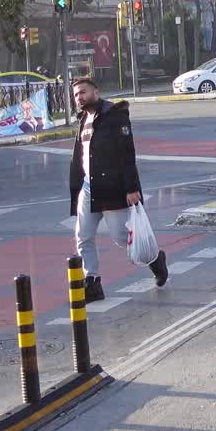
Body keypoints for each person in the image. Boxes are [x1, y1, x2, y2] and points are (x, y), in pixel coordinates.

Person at [68, 78, 167, 302]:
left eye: (83, 92)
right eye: (75, 94)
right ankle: (92, 282)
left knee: (122, 238)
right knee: (83, 237)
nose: (79, 97)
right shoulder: (83, 118)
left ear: (96, 91)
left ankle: (155, 260)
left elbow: (127, 153)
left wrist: (131, 188)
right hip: (88, 187)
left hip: (112, 187)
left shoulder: (115, 115)